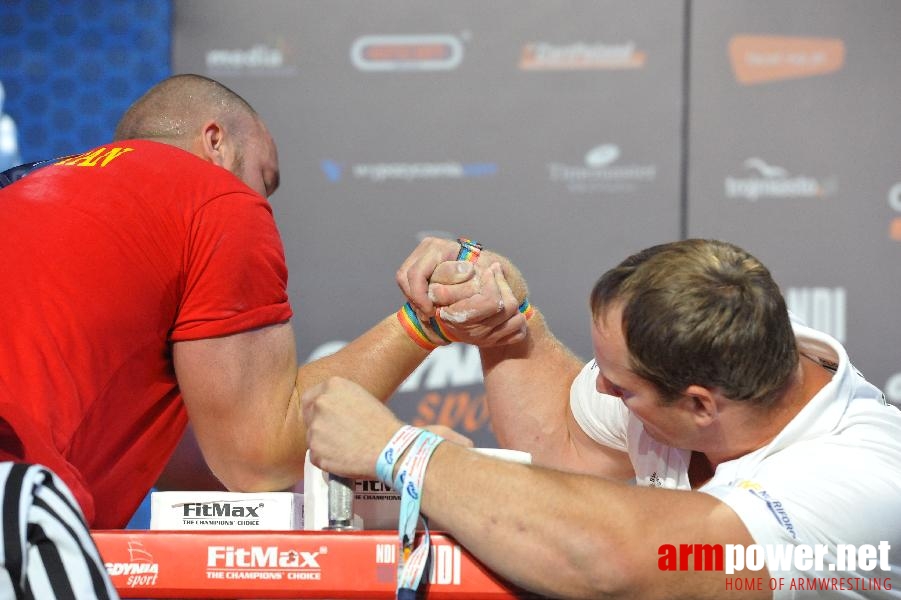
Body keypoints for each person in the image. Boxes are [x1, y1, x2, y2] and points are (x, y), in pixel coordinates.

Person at [0, 74, 519, 535]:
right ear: (215, 143)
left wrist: (381, 457)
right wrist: (423, 324)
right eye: (264, 182)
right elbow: (257, 459)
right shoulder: (212, 195)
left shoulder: (27, 188)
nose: (263, 207)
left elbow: (198, 464)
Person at [303, 237, 901, 599]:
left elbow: (618, 555)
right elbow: (561, 437)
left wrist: (405, 453)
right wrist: (508, 321)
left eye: (623, 387)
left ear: (700, 404)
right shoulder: (727, 358)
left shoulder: (859, 486)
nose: (602, 389)